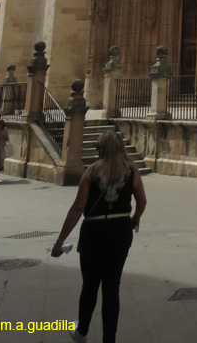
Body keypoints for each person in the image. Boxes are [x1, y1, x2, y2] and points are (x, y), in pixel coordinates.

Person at [51, 131, 146, 343]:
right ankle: (109, 340)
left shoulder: (91, 172)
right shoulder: (132, 171)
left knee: (90, 285)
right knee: (112, 288)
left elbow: (77, 208)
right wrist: (134, 219)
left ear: (101, 150)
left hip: (94, 232)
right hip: (120, 230)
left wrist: (59, 241)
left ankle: (82, 332)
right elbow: (142, 201)